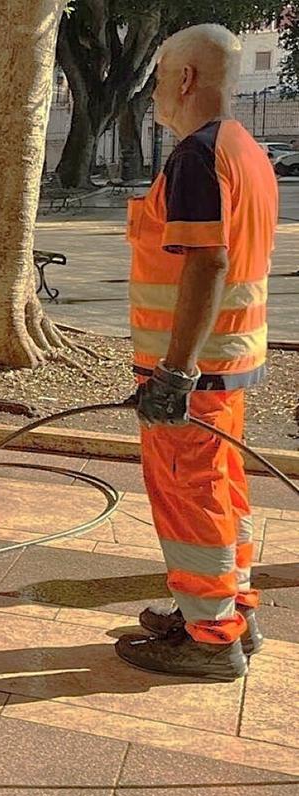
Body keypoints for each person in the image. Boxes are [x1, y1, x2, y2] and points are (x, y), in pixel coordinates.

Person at [114, 24, 277, 680]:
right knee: (222, 488)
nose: (154, 89)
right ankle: (230, 609)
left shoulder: (195, 156)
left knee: (190, 494)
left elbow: (207, 263)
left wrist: (174, 372)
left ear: (186, 79)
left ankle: (211, 639)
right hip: (229, 363)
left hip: (195, 372)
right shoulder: (246, 150)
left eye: (158, 77)